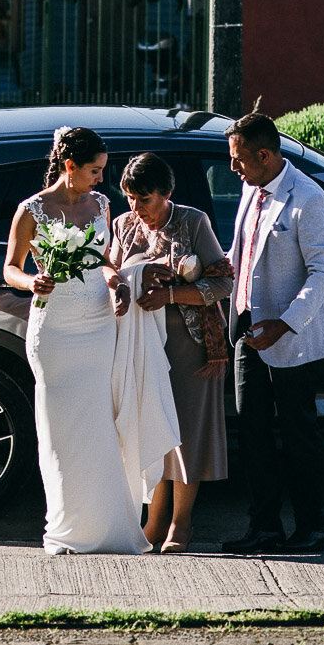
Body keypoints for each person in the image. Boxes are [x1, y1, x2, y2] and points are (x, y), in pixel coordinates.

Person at [4, 126, 176, 555]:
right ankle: (68, 528)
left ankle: (110, 527)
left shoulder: (100, 204)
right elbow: (11, 266)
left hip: (99, 326)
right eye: (95, 170)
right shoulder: (32, 210)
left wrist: (117, 281)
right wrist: (31, 281)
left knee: (101, 426)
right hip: (55, 330)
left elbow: (102, 260)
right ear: (70, 167)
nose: (102, 179)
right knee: (62, 433)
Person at [222, 108, 324, 556]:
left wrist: (286, 322)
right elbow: (242, 253)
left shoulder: (308, 198)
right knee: (252, 431)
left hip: (291, 334)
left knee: (299, 435)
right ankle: (264, 528)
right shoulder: (250, 189)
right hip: (247, 330)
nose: (233, 167)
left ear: (265, 154)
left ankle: (312, 530)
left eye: (238, 159)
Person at [111, 152, 234, 553]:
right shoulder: (122, 225)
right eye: (130, 197)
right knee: (148, 427)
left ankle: (181, 524)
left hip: (189, 343)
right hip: (138, 344)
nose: (136, 208)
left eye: (144, 199)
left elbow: (222, 284)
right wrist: (118, 285)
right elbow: (108, 271)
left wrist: (170, 294)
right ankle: (152, 521)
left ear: (167, 193)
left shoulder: (193, 221)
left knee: (186, 434)